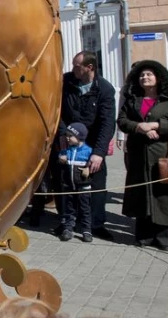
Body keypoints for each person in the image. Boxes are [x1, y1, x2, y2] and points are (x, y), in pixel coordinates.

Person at [44, 51, 116, 241]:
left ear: (89, 68)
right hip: (67, 141)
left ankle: (96, 224)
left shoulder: (105, 90)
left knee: (96, 185)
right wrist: (63, 135)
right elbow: (56, 110)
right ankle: (66, 221)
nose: (73, 69)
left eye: (77, 66)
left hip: (92, 144)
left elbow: (107, 123)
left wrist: (99, 153)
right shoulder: (65, 82)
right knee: (64, 183)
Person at [117, 59, 168, 251]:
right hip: (139, 156)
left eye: (148, 74)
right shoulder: (133, 99)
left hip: (164, 155)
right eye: (141, 75)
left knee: (166, 197)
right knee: (142, 196)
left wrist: (157, 125)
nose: (144, 78)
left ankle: (167, 239)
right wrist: (139, 127)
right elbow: (122, 121)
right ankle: (145, 236)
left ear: (158, 78)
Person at [57, 122, 93, 243]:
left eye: (70, 136)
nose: (67, 138)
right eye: (66, 135)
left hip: (83, 187)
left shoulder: (88, 151)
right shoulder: (67, 151)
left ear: (79, 137)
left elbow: (95, 165)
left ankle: (86, 230)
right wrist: (61, 159)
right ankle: (68, 228)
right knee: (69, 208)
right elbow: (61, 158)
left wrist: (89, 169)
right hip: (69, 186)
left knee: (85, 209)